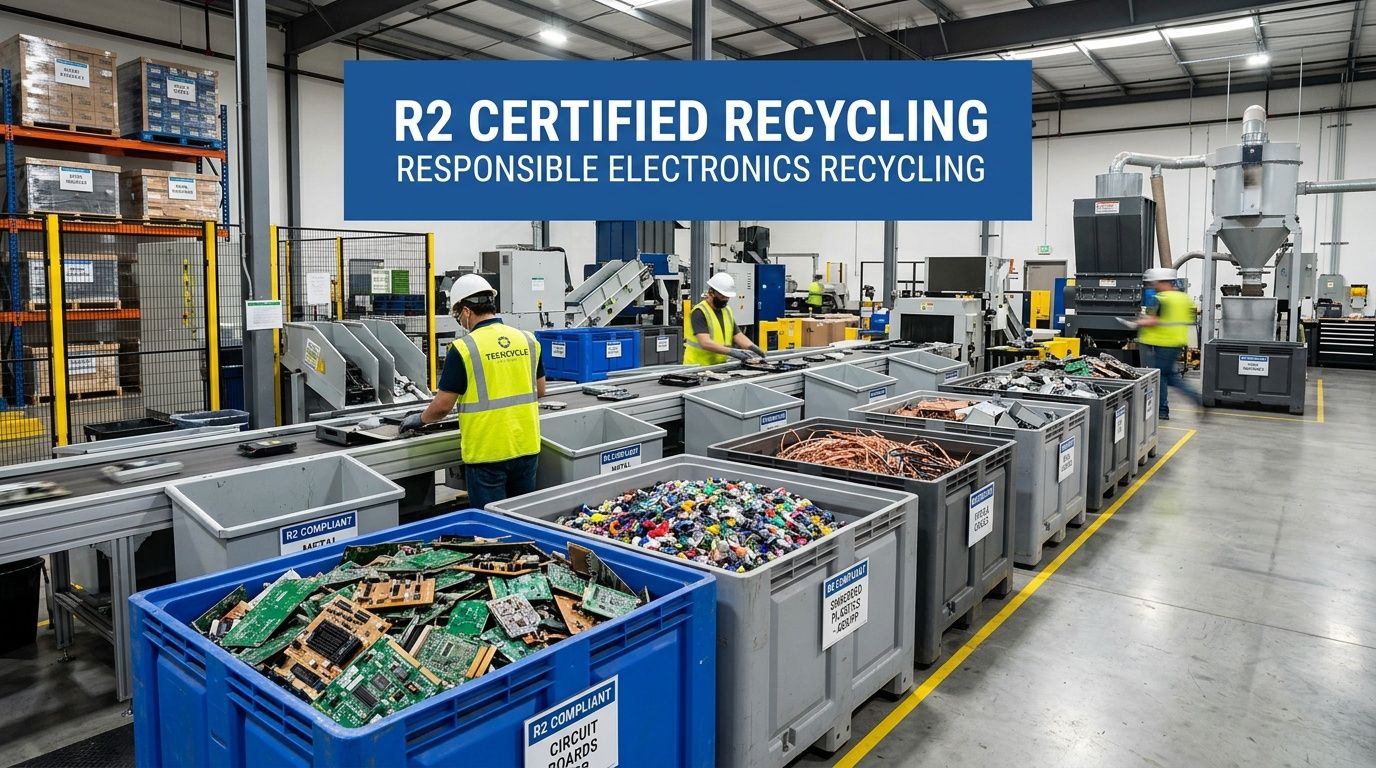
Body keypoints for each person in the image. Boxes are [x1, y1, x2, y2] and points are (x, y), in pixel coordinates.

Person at [402, 274, 545, 508]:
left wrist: (419, 420)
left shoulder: (464, 348)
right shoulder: (528, 340)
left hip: (487, 453)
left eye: (458, 315)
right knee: (522, 517)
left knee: (490, 527)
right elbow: (540, 390)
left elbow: (442, 406)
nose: (459, 320)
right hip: (526, 446)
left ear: (466, 311)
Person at [1135, 267, 1200, 421]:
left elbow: (1155, 320)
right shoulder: (1184, 298)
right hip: (1176, 342)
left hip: (1161, 342)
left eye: (1155, 283)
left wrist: (1138, 322)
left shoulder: (1162, 299)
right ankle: (1163, 408)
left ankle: (1166, 408)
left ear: (1163, 282)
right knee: (1167, 376)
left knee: (1165, 377)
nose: (1154, 286)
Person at [683, 272, 767, 365]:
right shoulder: (699, 312)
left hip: (718, 365)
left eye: (727, 297)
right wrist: (732, 352)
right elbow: (705, 342)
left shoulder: (726, 310)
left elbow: (738, 335)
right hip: (697, 366)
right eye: (722, 296)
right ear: (711, 292)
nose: (725, 300)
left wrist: (753, 347)